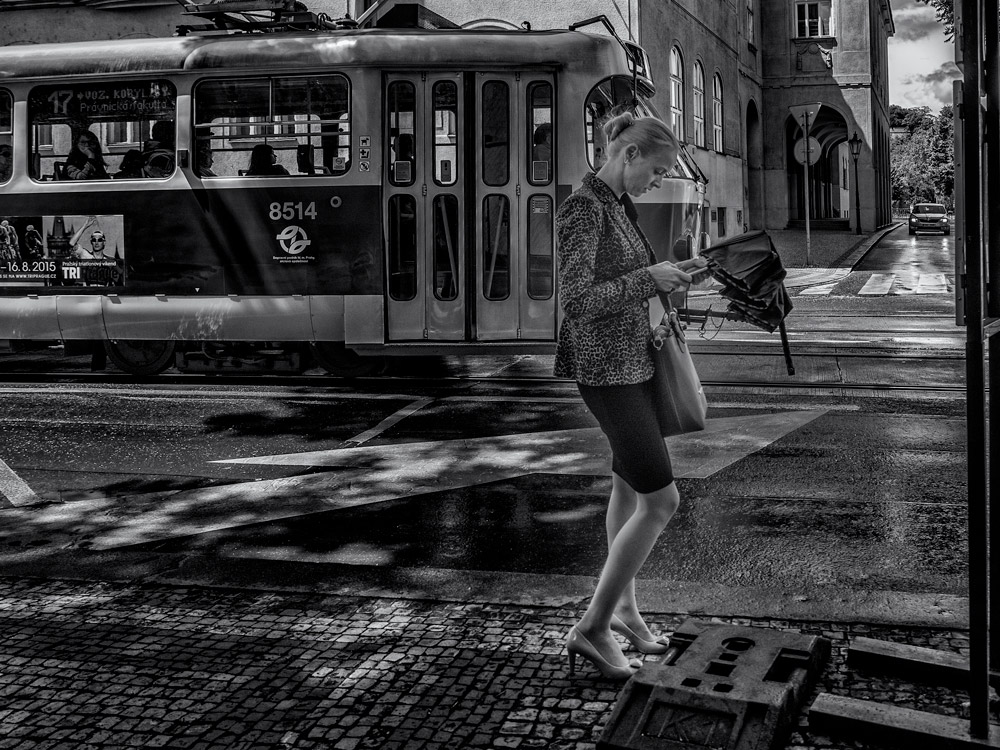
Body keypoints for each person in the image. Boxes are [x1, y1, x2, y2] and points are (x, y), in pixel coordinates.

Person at [555, 111, 708, 680]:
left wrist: (674, 271)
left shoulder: (617, 207)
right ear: (630, 155)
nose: (659, 181)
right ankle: (592, 627)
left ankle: (624, 610)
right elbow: (576, 299)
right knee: (661, 501)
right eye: (659, 170)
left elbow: (632, 279)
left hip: (634, 362)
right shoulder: (582, 209)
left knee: (625, 490)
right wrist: (652, 279)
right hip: (606, 372)